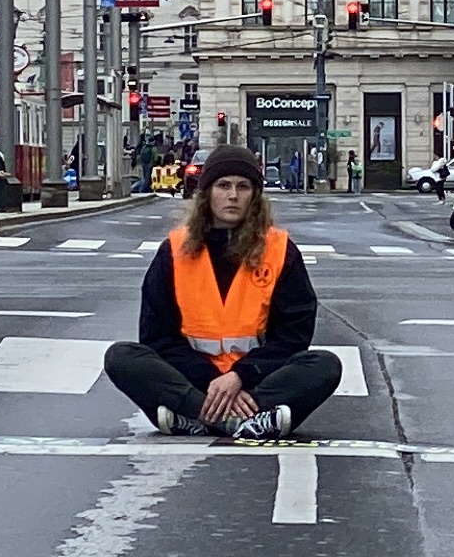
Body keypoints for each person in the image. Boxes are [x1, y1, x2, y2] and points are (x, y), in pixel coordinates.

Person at [108, 145, 338, 441]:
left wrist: (240, 376)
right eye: (223, 185)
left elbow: (293, 336)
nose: (233, 196)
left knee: (324, 365)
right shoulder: (175, 250)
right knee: (121, 357)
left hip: (256, 380)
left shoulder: (279, 250)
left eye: (243, 187)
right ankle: (239, 419)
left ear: (255, 196)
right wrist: (214, 383)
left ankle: (196, 418)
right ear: (207, 194)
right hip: (194, 381)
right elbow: (157, 337)